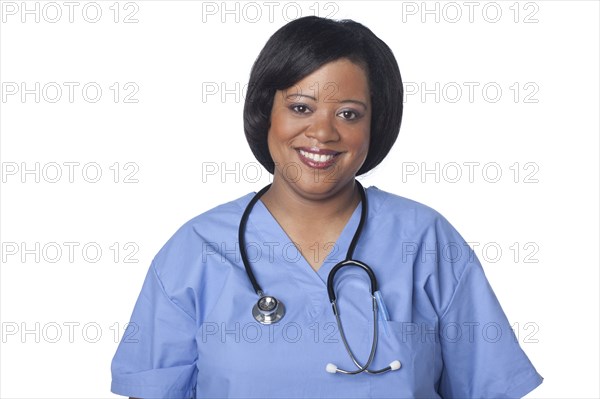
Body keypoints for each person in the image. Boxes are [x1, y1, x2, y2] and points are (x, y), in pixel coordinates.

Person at [111, 16, 543, 398]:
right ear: (267, 112)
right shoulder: (195, 250)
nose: (322, 132)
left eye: (350, 114)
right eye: (301, 107)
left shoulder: (425, 240)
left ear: (378, 124)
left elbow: (489, 386)